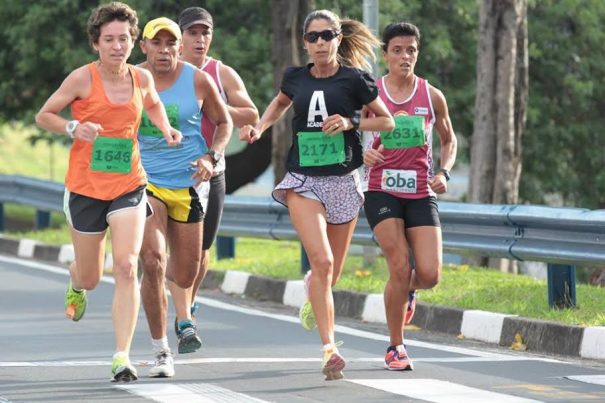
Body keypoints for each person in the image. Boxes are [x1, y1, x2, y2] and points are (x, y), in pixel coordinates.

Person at [240, 10, 394, 380]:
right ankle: (329, 351)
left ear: (339, 39)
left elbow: (386, 120)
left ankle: (313, 290)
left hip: (343, 180)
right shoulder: (295, 77)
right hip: (303, 180)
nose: (320, 43)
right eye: (313, 37)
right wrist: (260, 127)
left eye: (327, 36)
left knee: (331, 274)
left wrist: (350, 122)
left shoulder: (354, 79)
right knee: (322, 262)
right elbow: (280, 103)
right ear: (305, 42)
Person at [35, 2, 181, 382]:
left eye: (125, 39)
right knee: (91, 278)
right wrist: (72, 129)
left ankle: (122, 356)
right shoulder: (81, 79)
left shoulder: (141, 79)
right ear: (96, 43)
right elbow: (44, 114)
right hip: (85, 188)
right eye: (109, 39)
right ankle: (75, 279)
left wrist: (165, 130)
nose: (118, 46)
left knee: (126, 266)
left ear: (133, 42)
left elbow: (153, 105)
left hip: (128, 183)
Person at [137, 17, 232, 378]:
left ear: (179, 47)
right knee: (153, 260)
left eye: (170, 43)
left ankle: (183, 318)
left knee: (186, 270)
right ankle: (161, 350)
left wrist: (213, 157)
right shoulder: (131, 78)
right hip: (145, 181)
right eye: (155, 43)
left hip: (189, 182)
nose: (164, 50)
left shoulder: (198, 79)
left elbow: (224, 124)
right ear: (143, 46)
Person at [362, 22, 457, 371]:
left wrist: (443, 171)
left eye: (411, 50)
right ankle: (395, 347)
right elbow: (352, 132)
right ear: (385, 54)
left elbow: (449, 139)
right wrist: (363, 155)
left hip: (419, 190)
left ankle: (406, 291)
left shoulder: (431, 95)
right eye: (398, 50)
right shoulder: (372, 93)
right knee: (399, 265)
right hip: (380, 188)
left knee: (429, 275)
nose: (405, 56)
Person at [173, 6, 259, 328]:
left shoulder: (221, 73)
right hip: (168, 172)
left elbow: (250, 113)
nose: (199, 39)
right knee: (166, 251)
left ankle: (189, 304)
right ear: (180, 37)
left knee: (201, 249)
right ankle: (179, 315)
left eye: (204, 33)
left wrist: (215, 107)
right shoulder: (165, 71)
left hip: (211, 170)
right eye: (192, 33)